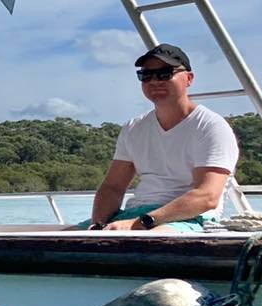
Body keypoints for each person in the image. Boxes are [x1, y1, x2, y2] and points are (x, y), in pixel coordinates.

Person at [87, 44, 240, 232]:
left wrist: (140, 224)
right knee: (62, 241)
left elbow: (207, 196)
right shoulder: (133, 128)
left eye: (165, 74)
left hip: (190, 218)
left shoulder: (211, 127)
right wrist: (97, 226)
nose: (155, 81)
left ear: (189, 78)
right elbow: (113, 187)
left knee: (145, 242)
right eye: (146, 75)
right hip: (136, 214)